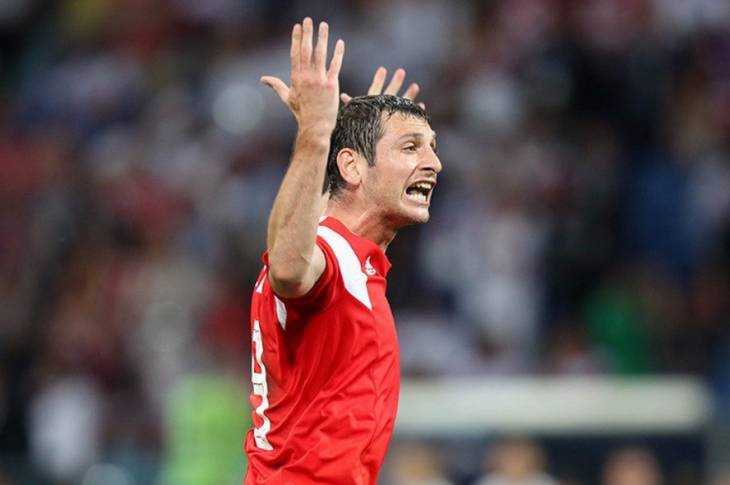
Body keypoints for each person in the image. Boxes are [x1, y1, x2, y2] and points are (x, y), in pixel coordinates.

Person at [244, 17, 441, 485]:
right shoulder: (327, 256)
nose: (434, 162)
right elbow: (288, 267)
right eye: (410, 147)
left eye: (431, 147)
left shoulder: (349, 255)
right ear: (352, 167)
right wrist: (316, 134)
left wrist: (342, 133)